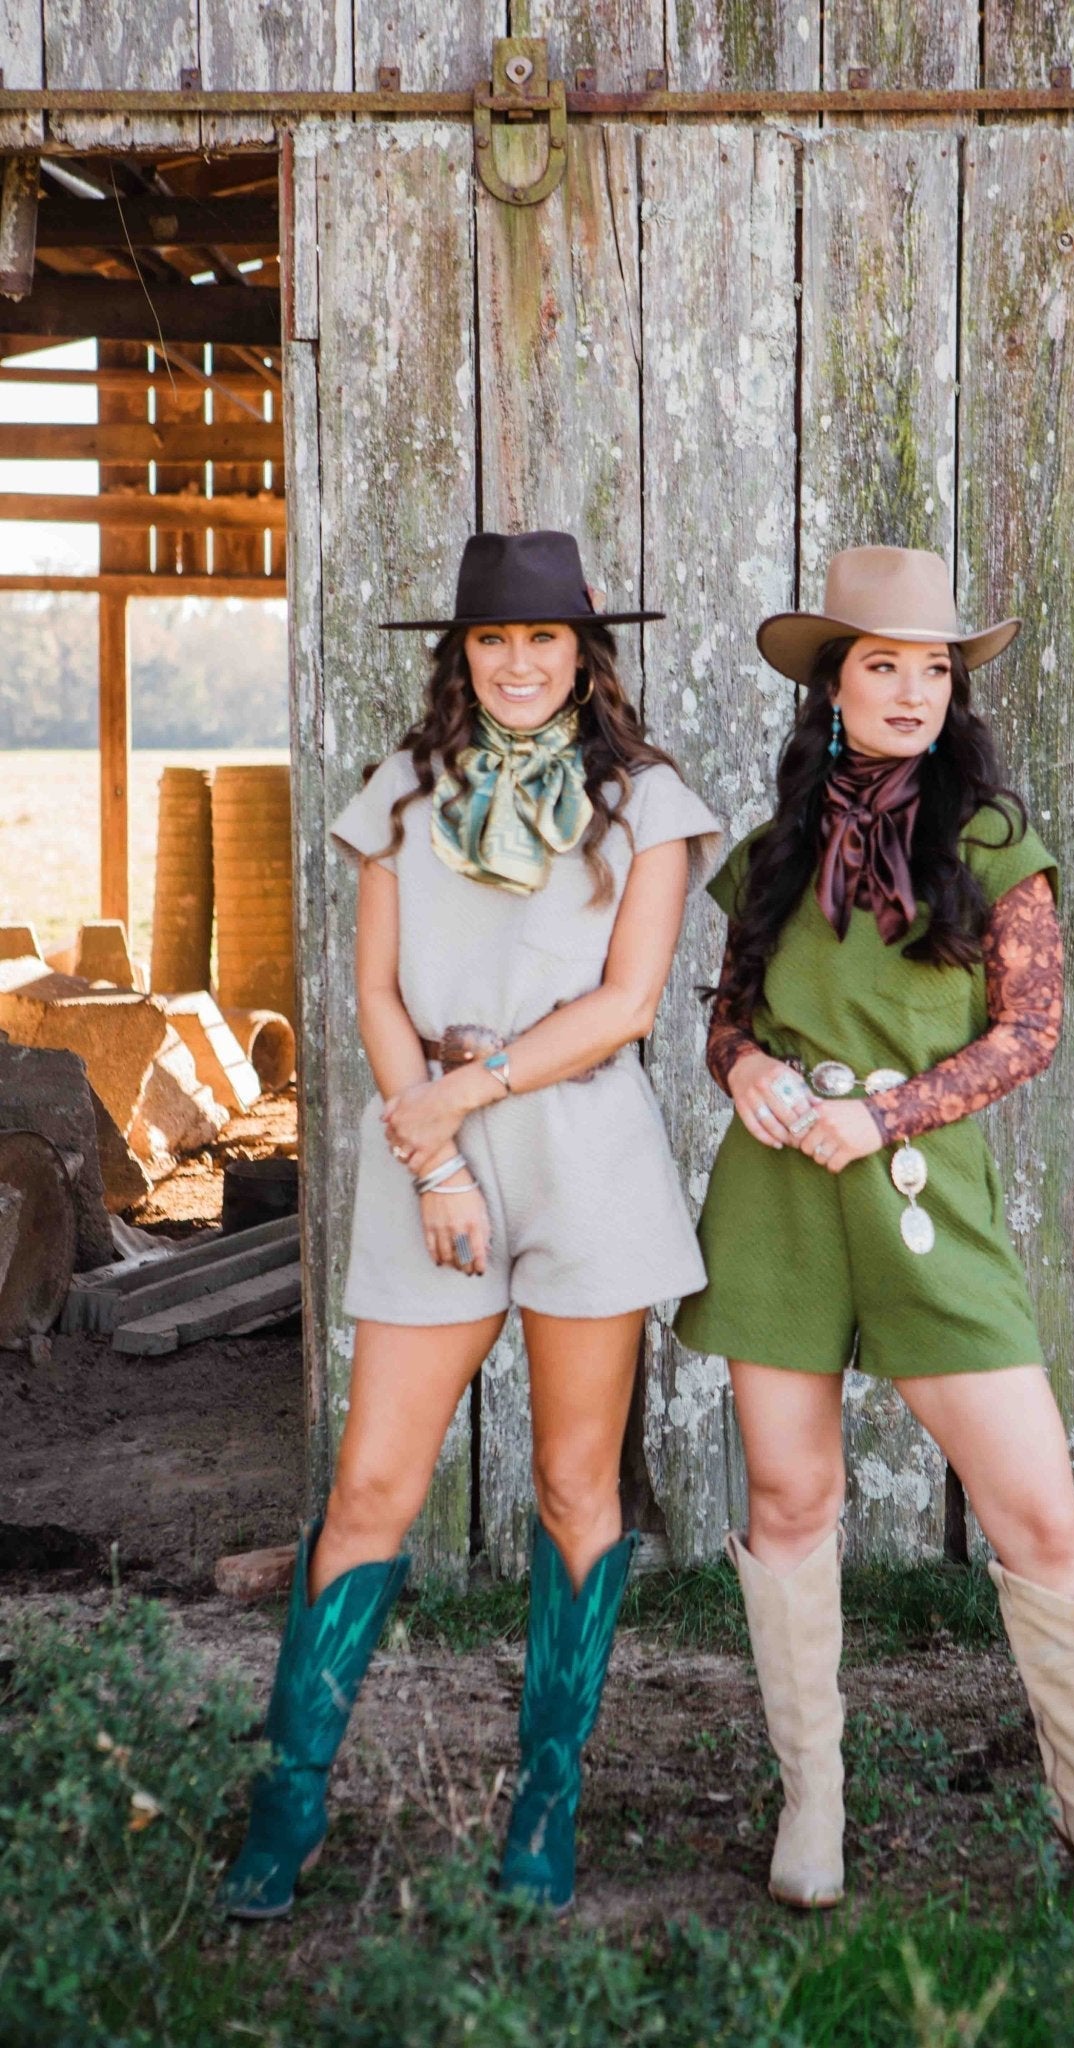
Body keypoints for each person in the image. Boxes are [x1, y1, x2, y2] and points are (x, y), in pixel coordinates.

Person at [220, 529, 721, 1920]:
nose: (516, 663)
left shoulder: (648, 805)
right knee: (373, 1487)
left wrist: (468, 1093)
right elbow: (377, 993)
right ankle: (289, 1796)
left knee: (574, 1485)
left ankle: (546, 1799)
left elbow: (627, 1005)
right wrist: (435, 1149)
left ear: (584, 653)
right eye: (492, 640)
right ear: (461, 656)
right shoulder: (401, 793)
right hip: (423, 1153)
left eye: (542, 638)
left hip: (582, 1148)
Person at [673, 545, 1074, 1909]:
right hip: (778, 1194)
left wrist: (886, 1115)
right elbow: (725, 1023)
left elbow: (1031, 1029)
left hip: (919, 1196)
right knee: (789, 1499)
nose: (909, 690)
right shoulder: (772, 855)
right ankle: (812, 1807)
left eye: (933, 669)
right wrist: (747, 1072)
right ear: (832, 687)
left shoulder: (993, 843)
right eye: (882, 665)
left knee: (1039, 1515)